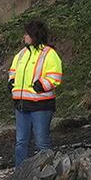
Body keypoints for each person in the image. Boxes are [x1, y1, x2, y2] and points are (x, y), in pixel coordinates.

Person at [9, 19, 65, 165]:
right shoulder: (21, 54)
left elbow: (55, 76)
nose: (24, 37)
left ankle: (47, 173)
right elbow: (13, 71)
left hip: (41, 105)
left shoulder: (49, 54)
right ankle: (20, 173)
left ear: (34, 35)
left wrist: (41, 85)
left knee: (42, 142)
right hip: (21, 104)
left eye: (27, 34)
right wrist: (11, 82)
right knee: (21, 142)